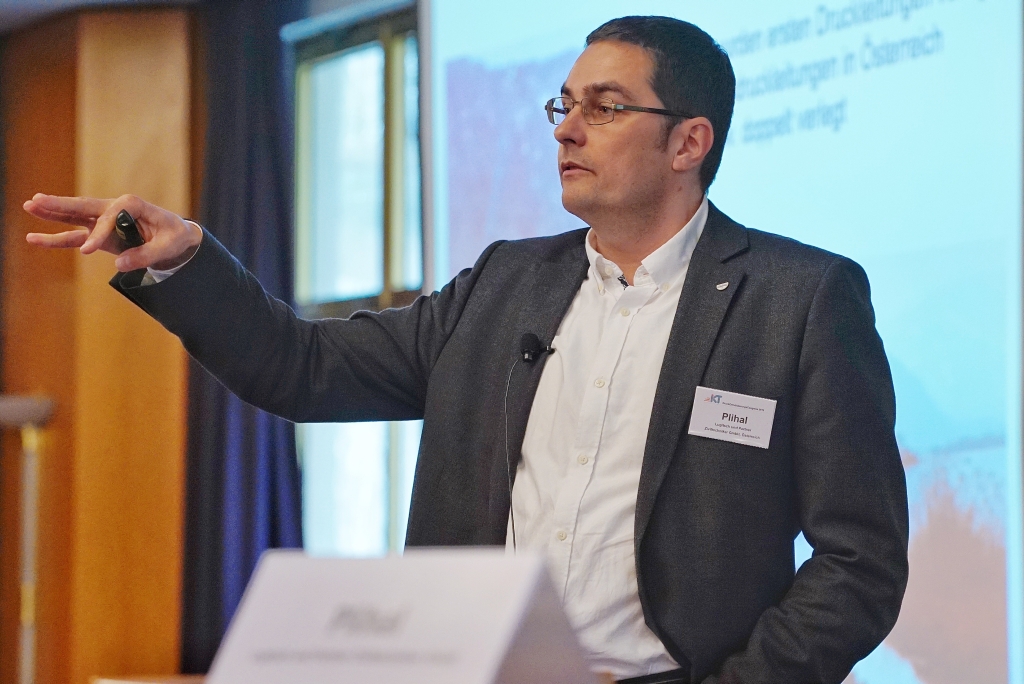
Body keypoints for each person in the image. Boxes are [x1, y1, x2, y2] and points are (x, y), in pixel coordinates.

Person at [23, 15, 908, 684]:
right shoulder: (504, 284)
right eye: (565, 105)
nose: (566, 129)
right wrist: (185, 260)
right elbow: (302, 367)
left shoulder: (798, 300)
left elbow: (859, 562)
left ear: (689, 141)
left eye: (605, 108)